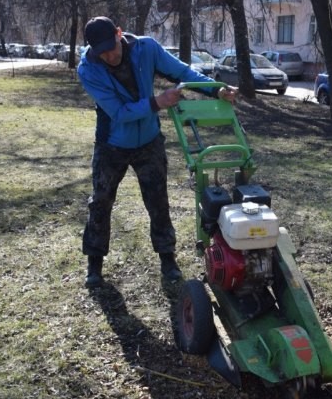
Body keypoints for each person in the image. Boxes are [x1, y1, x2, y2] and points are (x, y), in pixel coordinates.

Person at [77, 16, 237, 287]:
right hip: (111, 144)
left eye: (111, 46)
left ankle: (167, 259)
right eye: (100, 51)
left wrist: (216, 89)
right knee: (100, 202)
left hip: (148, 141)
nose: (109, 55)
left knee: (158, 201)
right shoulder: (89, 69)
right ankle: (94, 263)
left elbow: (183, 73)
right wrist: (158, 102)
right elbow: (118, 112)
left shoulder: (146, 48)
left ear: (119, 33)